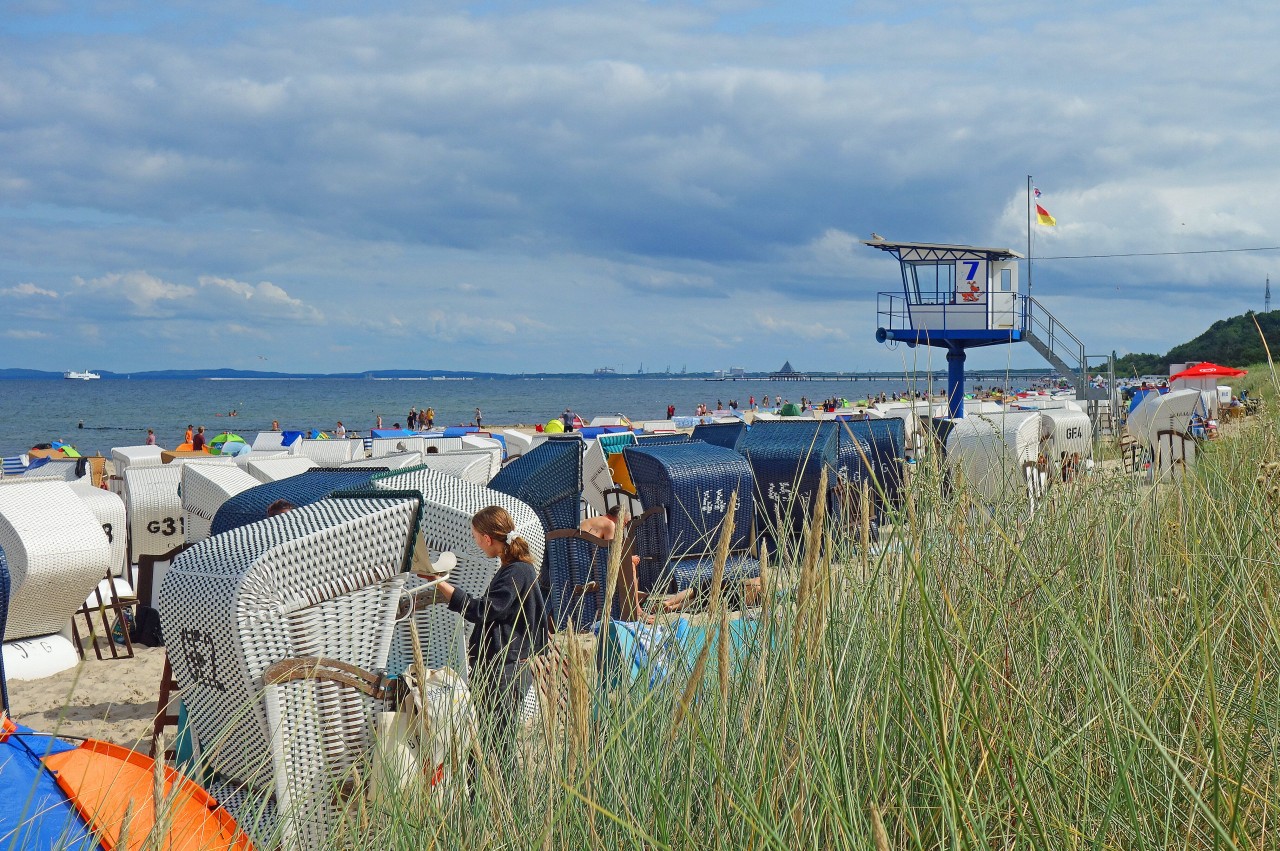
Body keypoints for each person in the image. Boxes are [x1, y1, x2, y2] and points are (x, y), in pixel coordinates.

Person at [419, 506, 547, 751]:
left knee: (496, 746)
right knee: (492, 742)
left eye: (477, 538)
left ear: (488, 539)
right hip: (505, 667)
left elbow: (484, 610)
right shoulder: (517, 568)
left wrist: (440, 584)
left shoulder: (517, 571)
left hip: (503, 671)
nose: (477, 544)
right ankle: (494, 789)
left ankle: (503, 790)